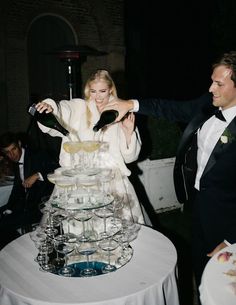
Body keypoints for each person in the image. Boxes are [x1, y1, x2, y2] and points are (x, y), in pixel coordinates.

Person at [103, 51, 236, 287]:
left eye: (218, 83)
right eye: (211, 81)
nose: (210, 88)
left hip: (227, 219)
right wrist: (130, 104)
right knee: (201, 272)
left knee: (224, 284)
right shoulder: (208, 105)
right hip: (197, 206)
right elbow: (170, 109)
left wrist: (232, 239)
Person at [35, 69, 148, 225]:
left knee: (116, 230)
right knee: (80, 229)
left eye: (102, 91)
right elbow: (64, 109)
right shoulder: (80, 107)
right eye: (93, 91)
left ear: (111, 90)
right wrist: (51, 107)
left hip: (112, 180)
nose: (97, 96)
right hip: (81, 179)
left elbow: (129, 157)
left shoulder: (120, 111)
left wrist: (129, 133)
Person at [0, 132, 58, 249]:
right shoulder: (16, 161)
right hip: (23, 205)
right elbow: (17, 189)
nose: (11, 155)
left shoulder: (37, 155)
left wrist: (37, 175)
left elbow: (57, 170)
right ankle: (16, 244)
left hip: (39, 208)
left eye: (14, 149)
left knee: (2, 226)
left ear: (19, 144)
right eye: (7, 152)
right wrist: (9, 208)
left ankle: (16, 248)